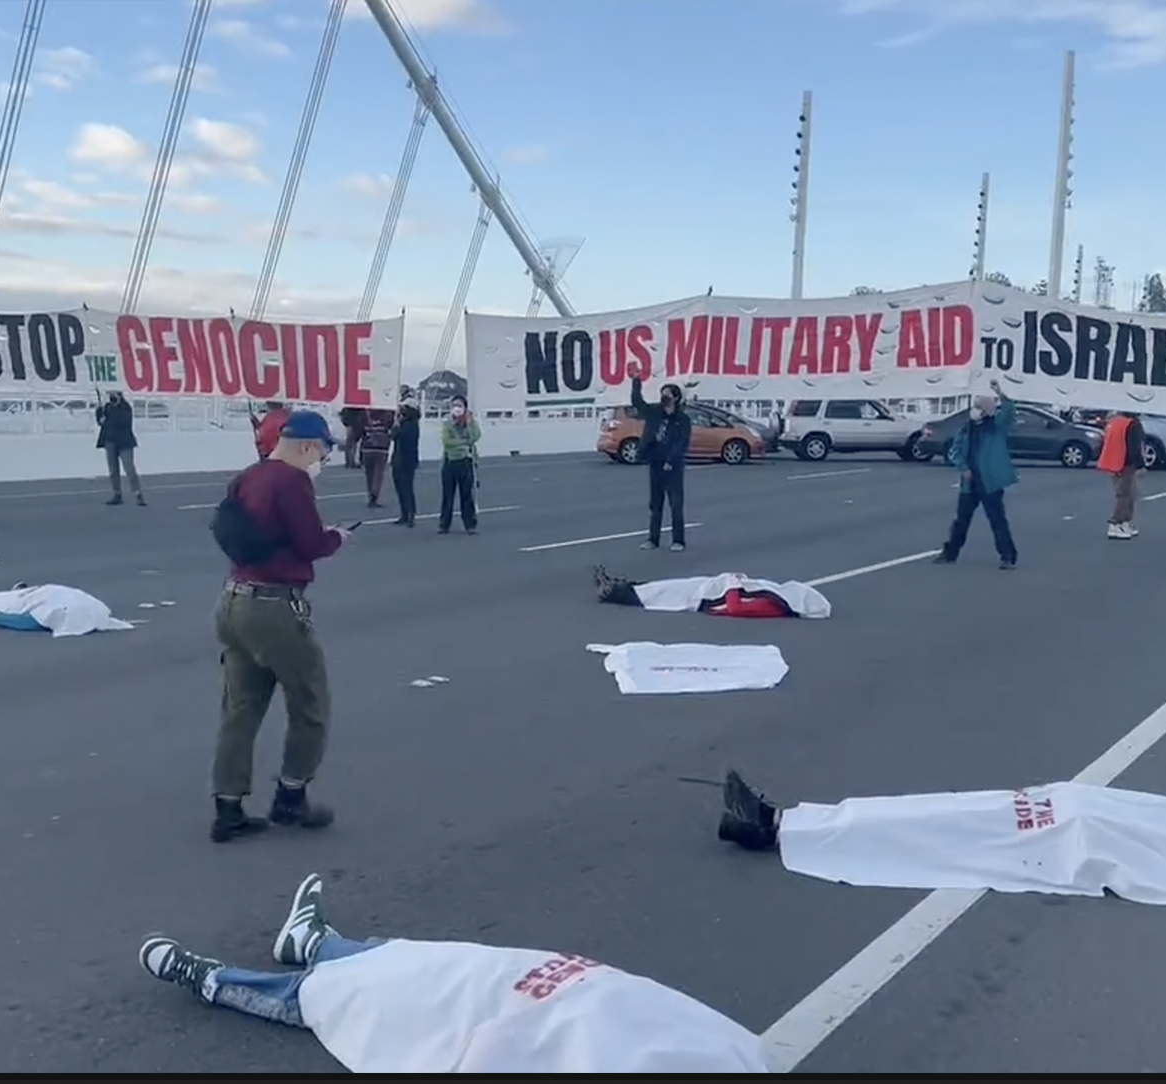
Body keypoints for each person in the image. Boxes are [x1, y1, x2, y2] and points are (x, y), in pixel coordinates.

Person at [137, 872, 769, 1073]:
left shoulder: (746, 1056)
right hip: (551, 984)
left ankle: (215, 979)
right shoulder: (743, 1056)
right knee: (425, 962)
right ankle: (319, 942)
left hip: (522, 1011)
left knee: (367, 1005)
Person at [711, 770, 1166, 906]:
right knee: (929, 816)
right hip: (1041, 811)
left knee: (927, 835)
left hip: (1045, 834)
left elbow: (1119, 868)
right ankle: (787, 821)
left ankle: (777, 826)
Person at [209, 409, 349, 842]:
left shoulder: (249, 476)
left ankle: (227, 808)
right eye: (324, 451)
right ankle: (291, 797)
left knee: (240, 708)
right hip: (273, 607)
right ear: (307, 445)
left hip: (233, 600)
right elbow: (310, 542)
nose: (322, 460)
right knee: (310, 703)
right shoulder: (292, 482)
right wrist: (337, 538)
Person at [934, 380, 1019, 570]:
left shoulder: (996, 428)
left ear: (987, 411)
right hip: (970, 483)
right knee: (961, 520)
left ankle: (1007, 556)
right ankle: (950, 553)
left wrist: (1001, 393)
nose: (975, 411)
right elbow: (956, 451)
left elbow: (1009, 412)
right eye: (975, 407)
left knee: (997, 520)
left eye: (979, 408)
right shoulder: (966, 429)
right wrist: (964, 468)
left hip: (990, 482)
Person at [592, 564, 833, 619]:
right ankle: (618, 584)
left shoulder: (775, 605)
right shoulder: (777, 595)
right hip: (713, 587)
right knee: (666, 586)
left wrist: (732, 584)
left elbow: (737, 608)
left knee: (665, 595)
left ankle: (613, 591)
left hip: (707, 597)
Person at [0, 581, 135, 636]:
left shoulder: (93, 610)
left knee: (2, 601)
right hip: (48, 595)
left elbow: (29, 622)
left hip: (48, 594)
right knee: (10, 601)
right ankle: (23, 591)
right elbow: (30, 623)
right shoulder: (85, 613)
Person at [631, 376, 692, 551]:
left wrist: (671, 461)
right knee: (655, 505)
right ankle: (653, 539)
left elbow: (682, 442)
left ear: (676, 398)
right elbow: (638, 403)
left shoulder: (682, 419)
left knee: (676, 504)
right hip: (655, 463)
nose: (663, 398)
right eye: (662, 394)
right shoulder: (654, 412)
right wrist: (636, 382)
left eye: (667, 395)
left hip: (673, 467)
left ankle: (678, 541)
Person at [1098, 408, 1145, 540]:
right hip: (1126, 463)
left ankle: (1125, 522)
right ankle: (1116, 523)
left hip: (1113, 461)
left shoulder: (1114, 422)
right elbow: (1134, 446)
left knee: (1124, 493)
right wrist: (1140, 465)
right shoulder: (1133, 424)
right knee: (1125, 494)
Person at [437, 395, 481, 536]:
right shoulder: (447, 423)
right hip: (450, 462)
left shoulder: (470, 422)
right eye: (454, 405)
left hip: (466, 462)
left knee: (467, 495)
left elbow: (476, 436)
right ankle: (444, 525)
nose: (456, 408)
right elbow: (446, 441)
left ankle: (470, 525)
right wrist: (463, 442)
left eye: (459, 405)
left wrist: (469, 422)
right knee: (447, 496)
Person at [95, 391, 145, 506]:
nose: (112, 399)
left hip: (124, 442)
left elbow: (121, 422)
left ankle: (137, 494)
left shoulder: (126, 408)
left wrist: (105, 421)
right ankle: (117, 494)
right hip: (110, 441)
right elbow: (101, 422)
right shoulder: (107, 407)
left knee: (129, 469)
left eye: (114, 396)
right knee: (113, 470)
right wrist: (98, 413)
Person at [390, 389, 422, 526]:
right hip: (398, 458)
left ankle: (410, 515)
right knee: (400, 488)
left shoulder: (412, 424)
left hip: (407, 460)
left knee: (407, 488)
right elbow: (392, 436)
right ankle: (404, 513)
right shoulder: (403, 423)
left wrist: (397, 426)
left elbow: (400, 436)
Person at [358, 408, 394, 509]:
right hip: (381, 449)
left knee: (369, 475)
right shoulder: (386, 415)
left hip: (367, 448)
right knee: (378, 475)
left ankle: (370, 495)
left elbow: (360, 431)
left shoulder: (365, 415)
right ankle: (374, 496)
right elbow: (392, 426)